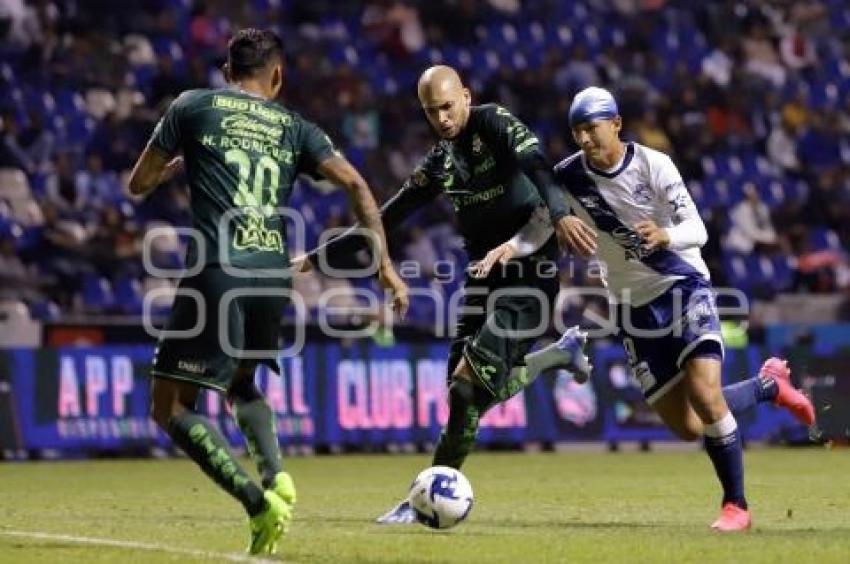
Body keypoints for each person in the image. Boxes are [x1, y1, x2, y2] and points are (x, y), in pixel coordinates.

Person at [476, 87, 816, 532]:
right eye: (577, 131)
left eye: (592, 128)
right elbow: (541, 225)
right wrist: (510, 247)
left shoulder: (655, 165)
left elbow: (698, 229)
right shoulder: (567, 177)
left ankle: (737, 506)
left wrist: (666, 236)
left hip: (681, 286)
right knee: (689, 426)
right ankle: (768, 385)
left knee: (707, 395)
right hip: (631, 308)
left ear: (616, 123)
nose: (585, 139)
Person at [127, 28, 408, 554]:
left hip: (219, 268)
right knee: (241, 382)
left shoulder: (193, 106)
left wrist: (177, 163)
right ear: (276, 75)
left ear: (226, 70)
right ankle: (278, 475)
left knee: (168, 407)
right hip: (274, 275)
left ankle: (258, 504)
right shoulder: (296, 126)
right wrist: (385, 266)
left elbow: (137, 185)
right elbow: (357, 185)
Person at [299, 65, 591, 524]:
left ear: (467, 97)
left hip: (530, 270)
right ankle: (558, 355)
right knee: (461, 393)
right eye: (432, 111)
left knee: (471, 382)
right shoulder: (440, 162)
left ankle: (426, 500)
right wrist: (314, 258)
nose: (442, 118)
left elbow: (538, 166)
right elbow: (384, 219)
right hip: (482, 277)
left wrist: (559, 214)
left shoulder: (494, 122)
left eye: (448, 106)